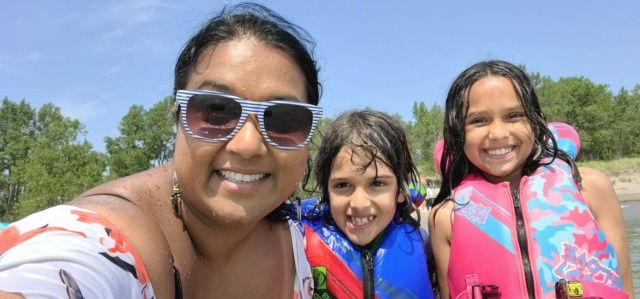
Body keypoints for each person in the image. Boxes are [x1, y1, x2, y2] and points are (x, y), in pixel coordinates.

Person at [0, 3, 323, 298]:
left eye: (283, 118)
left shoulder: (314, 241)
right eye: (216, 110)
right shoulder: (101, 242)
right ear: (178, 119)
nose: (248, 145)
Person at [428, 60, 633, 298]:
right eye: (479, 120)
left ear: (536, 123)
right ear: (457, 132)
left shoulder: (591, 188)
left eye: (514, 116)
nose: (498, 134)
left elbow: (625, 286)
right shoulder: (447, 216)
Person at [299, 110, 435, 299]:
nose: (359, 204)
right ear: (326, 190)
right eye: (342, 185)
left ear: (401, 191)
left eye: (377, 183)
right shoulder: (299, 239)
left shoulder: (423, 241)